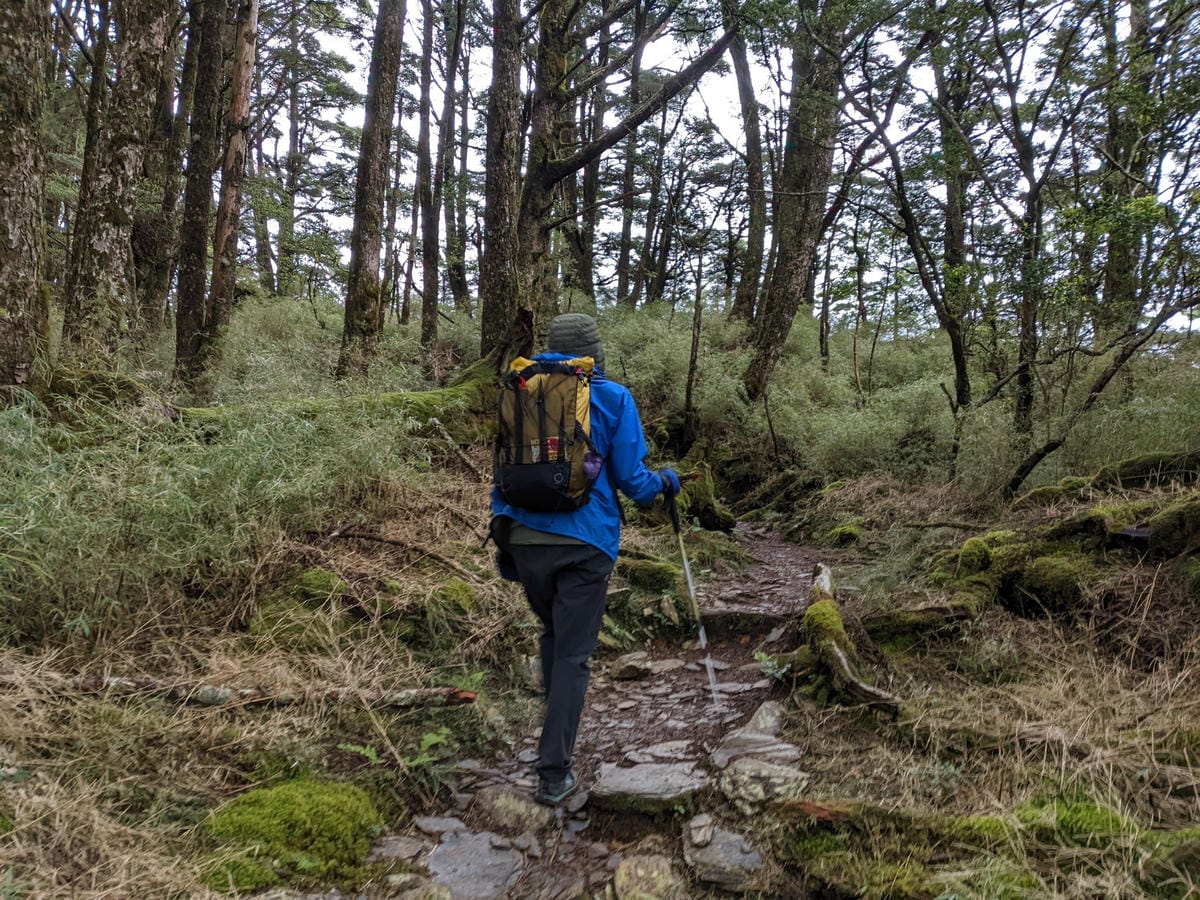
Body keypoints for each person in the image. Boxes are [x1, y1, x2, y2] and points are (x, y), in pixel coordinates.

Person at [491, 313, 680, 805]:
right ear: (592, 352)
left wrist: (504, 529)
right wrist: (665, 480)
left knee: (554, 635)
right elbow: (634, 484)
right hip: (584, 545)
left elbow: (504, 466)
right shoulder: (612, 396)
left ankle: (553, 732)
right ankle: (553, 773)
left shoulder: (519, 387)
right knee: (574, 656)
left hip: (521, 536)